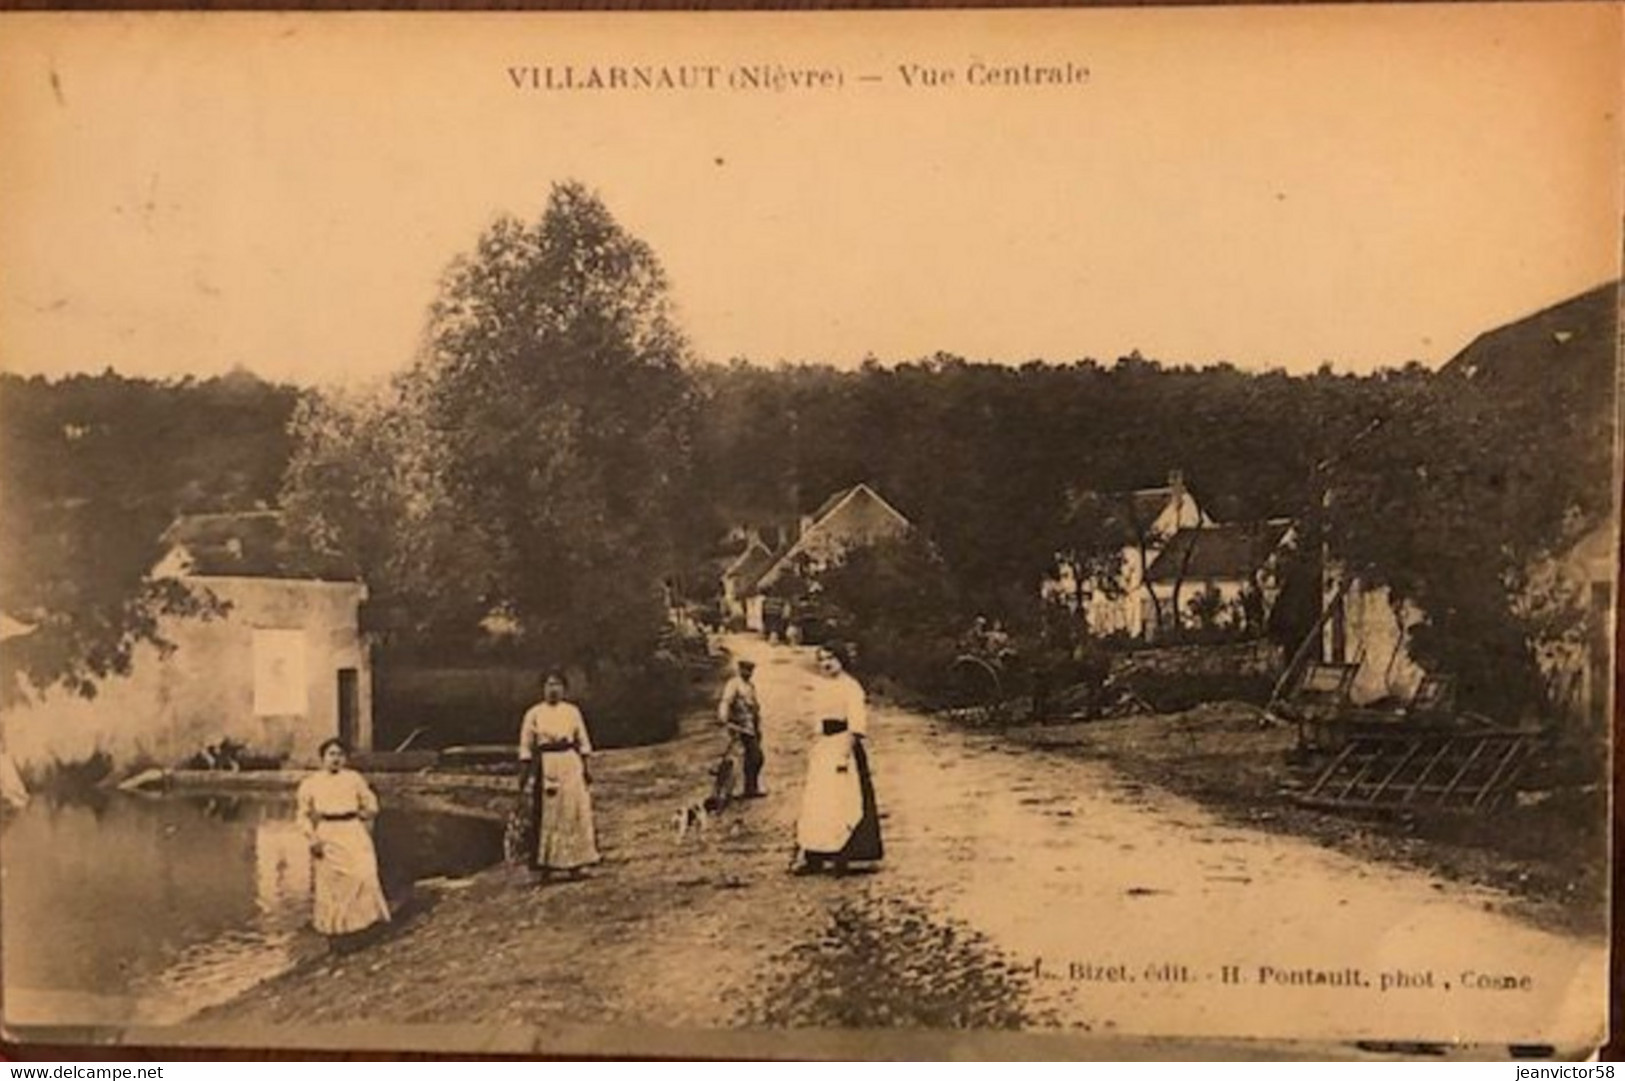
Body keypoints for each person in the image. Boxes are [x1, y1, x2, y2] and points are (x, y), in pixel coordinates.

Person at [794, 644, 883, 875]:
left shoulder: (851, 687)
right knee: (818, 801)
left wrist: (845, 754)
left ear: (841, 659)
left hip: (844, 745)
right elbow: (817, 718)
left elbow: (856, 724)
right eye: (822, 659)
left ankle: (844, 854)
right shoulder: (821, 686)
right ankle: (815, 855)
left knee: (844, 801)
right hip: (824, 746)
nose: (826, 664)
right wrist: (817, 743)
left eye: (831, 658)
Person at [296, 738, 390, 947]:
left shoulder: (354, 779)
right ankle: (339, 932)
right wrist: (312, 839)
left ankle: (363, 927)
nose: (335, 759)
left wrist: (363, 814)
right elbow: (302, 816)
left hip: (352, 831)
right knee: (334, 885)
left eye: (340, 754)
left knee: (363, 876)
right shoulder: (311, 783)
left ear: (345, 759)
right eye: (331, 754)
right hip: (327, 834)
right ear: (322, 758)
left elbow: (371, 804)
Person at [517, 672, 601, 881]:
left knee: (573, 812)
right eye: (549, 685)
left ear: (564, 689)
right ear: (542, 689)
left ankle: (577, 864)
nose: (553, 689)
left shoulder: (572, 712)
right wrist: (525, 774)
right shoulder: (534, 713)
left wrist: (586, 767)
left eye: (558, 685)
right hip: (546, 764)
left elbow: (583, 741)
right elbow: (526, 746)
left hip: (570, 764)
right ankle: (546, 866)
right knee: (548, 815)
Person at [717, 658, 766, 799]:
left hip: (751, 726)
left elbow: (755, 708)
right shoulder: (733, 684)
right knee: (754, 757)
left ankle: (749, 788)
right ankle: (739, 789)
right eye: (745, 670)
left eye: (750, 671)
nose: (748, 673)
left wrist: (758, 727)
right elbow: (726, 701)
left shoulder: (750, 686)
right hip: (739, 726)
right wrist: (723, 717)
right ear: (740, 670)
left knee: (753, 758)